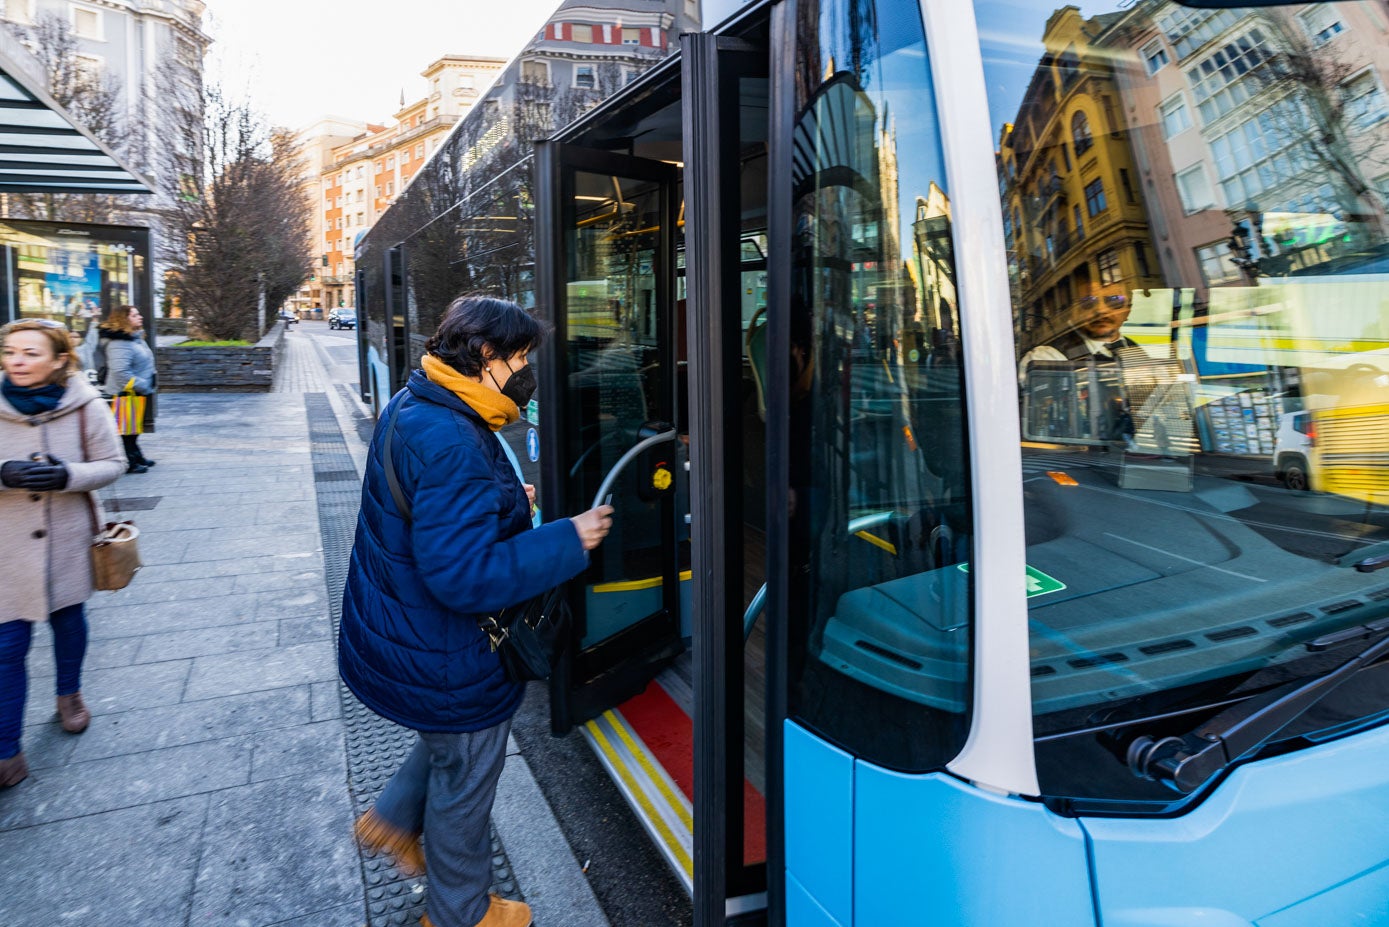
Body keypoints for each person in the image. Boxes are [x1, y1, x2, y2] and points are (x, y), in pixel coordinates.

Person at [339, 295, 614, 927]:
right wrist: (566, 539)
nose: (524, 371)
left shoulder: (419, 405)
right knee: (466, 778)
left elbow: (427, 513)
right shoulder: (454, 441)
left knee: (448, 747)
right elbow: (463, 577)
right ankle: (460, 913)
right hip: (447, 654)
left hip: (403, 633)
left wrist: (499, 501)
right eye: (519, 358)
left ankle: (391, 821)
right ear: (485, 355)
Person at [0, 319, 126, 788]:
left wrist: (67, 475)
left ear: (58, 361)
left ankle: (68, 694)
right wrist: (4, 473)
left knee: (68, 624)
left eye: (31, 353)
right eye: (11, 351)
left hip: (66, 541)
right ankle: (6, 751)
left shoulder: (84, 404)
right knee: (7, 647)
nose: (17, 361)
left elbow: (114, 464)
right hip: (6, 548)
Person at [98, 304, 157, 473]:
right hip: (125, 393)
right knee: (125, 431)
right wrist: (142, 385)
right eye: (134, 315)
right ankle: (129, 462)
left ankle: (136, 456)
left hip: (135, 392)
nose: (140, 317)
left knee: (132, 430)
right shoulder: (119, 343)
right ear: (123, 319)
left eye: (138, 314)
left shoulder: (134, 338)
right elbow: (121, 373)